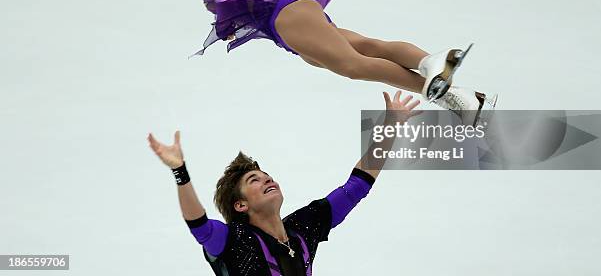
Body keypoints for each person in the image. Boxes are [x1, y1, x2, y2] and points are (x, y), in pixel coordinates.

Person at [159, 0, 496, 124]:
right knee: (365, 48)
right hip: (291, 21)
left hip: (287, 17)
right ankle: (451, 87)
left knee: (353, 65)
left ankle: (442, 84)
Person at [148, 91, 419, 275]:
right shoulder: (234, 241)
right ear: (240, 204)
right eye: (254, 179)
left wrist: (391, 128)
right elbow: (200, 228)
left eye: (267, 175)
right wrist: (180, 172)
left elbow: (357, 186)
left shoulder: (303, 227)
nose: (267, 179)